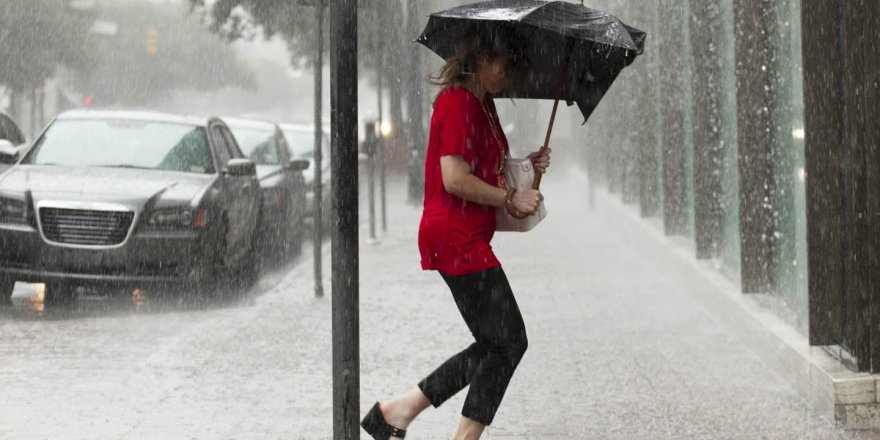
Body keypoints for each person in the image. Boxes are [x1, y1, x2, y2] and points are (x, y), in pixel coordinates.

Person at [361, 31, 551, 440]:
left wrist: (525, 166)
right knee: (508, 341)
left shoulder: (482, 104)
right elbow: (454, 178)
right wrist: (508, 196)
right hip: (454, 236)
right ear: (480, 58)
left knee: (493, 342)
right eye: (503, 62)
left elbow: (484, 165)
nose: (507, 71)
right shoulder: (458, 102)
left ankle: (396, 412)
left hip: (466, 236)